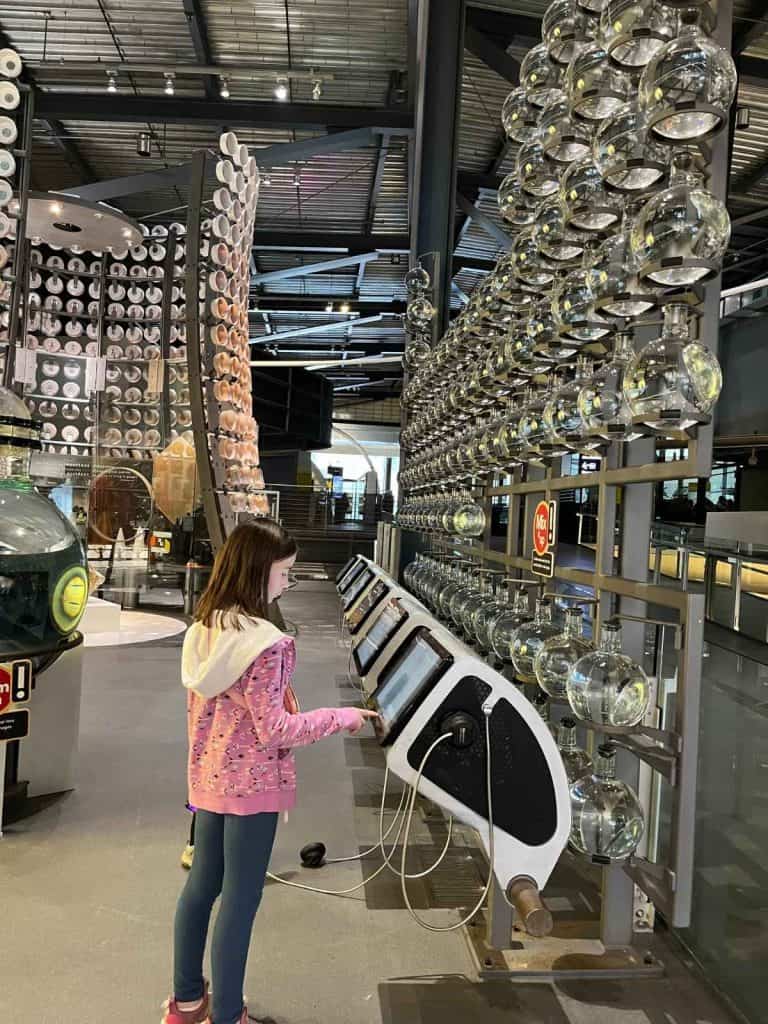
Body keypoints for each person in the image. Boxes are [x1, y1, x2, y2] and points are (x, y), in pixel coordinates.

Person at [163, 520, 378, 1024]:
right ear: (260, 572)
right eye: (285, 572)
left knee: (201, 887)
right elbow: (275, 729)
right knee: (241, 898)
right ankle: (229, 1015)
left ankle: (187, 1002)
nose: (286, 582)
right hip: (253, 787)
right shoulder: (266, 644)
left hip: (208, 778)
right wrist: (339, 717)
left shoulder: (204, 630)